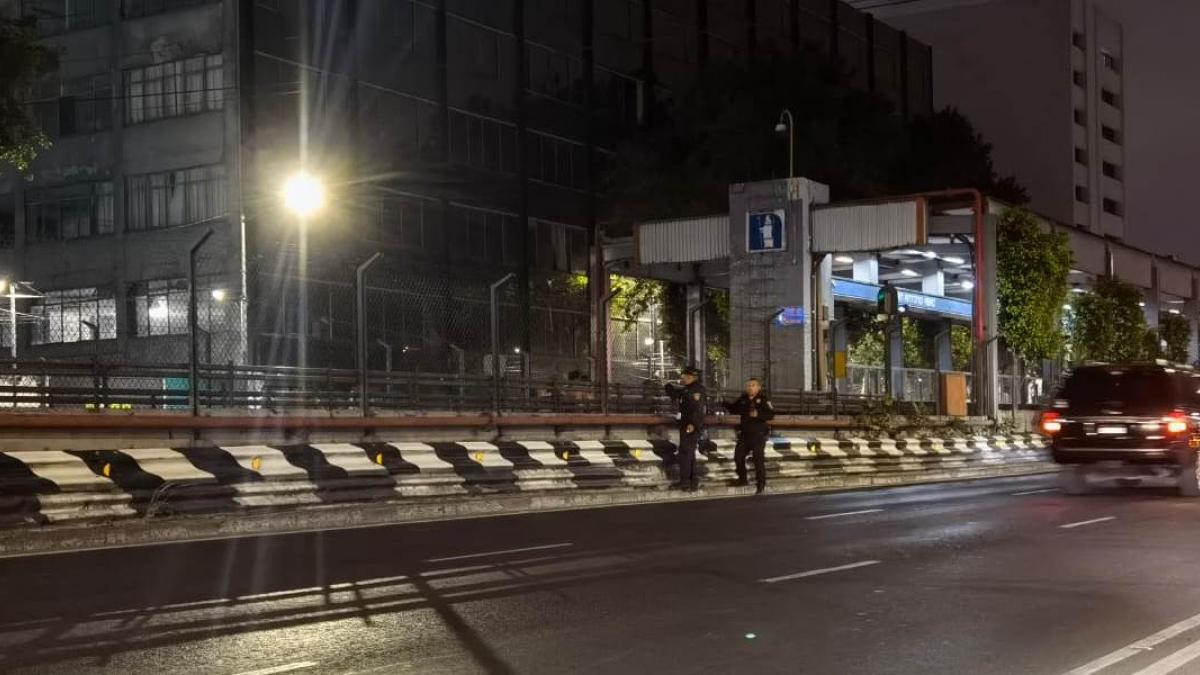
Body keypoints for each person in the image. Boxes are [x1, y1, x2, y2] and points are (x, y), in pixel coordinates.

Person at [725, 377, 774, 495]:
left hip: (758, 434)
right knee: (738, 457)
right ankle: (742, 479)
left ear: (758, 387)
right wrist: (723, 402)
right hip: (745, 434)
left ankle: (761, 484)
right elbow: (733, 408)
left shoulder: (763, 399)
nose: (750, 387)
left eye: (753, 385)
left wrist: (758, 414)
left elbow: (771, 415)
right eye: (748, 385)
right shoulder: (743, 399)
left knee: (758, 460)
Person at [665, 365, 707, 492]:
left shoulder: (696, 390)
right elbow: (676, 394)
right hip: (686, 424)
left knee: (685, 454)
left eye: (685, 376)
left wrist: (693, 424)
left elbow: (698, 409)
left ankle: (686, 483)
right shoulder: (687, 389)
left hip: (691, 425)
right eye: (683, 376)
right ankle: (692, 481)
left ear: (692, 377)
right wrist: (667, 385)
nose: (683, 378)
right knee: (689, 454)